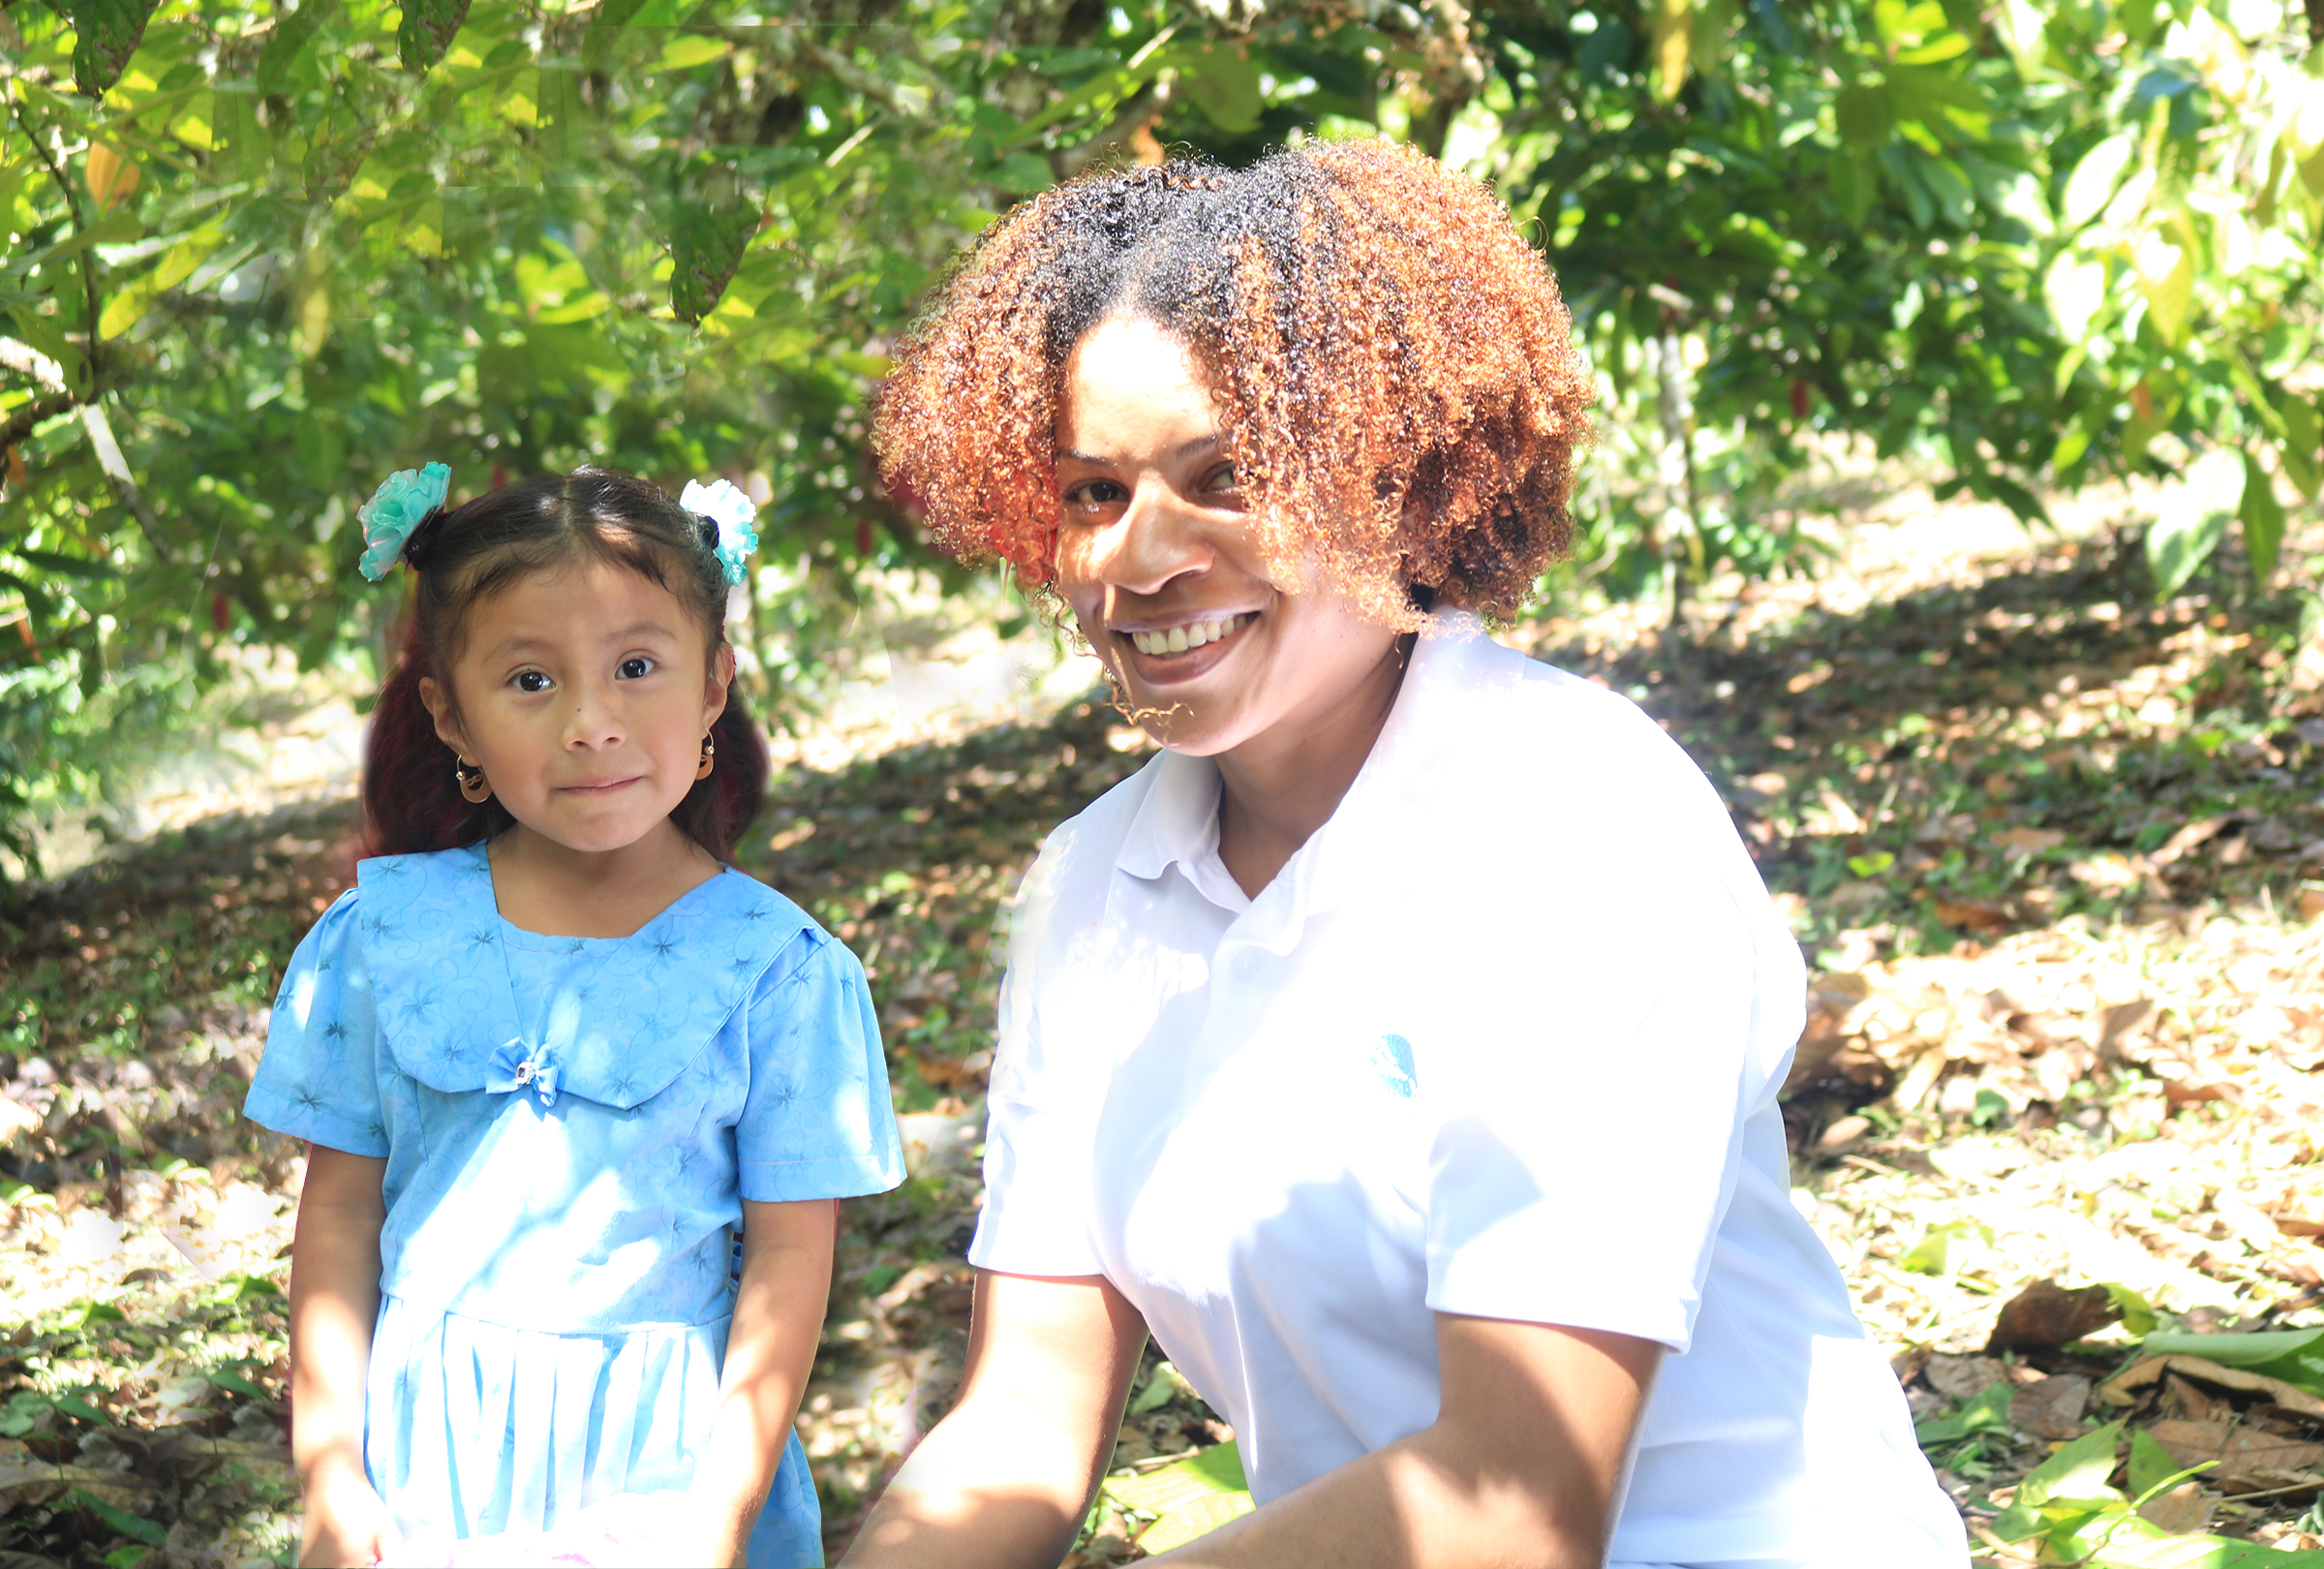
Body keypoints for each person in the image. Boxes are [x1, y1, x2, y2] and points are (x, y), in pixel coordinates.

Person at [844, 141, 1968, 1568]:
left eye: (1227, 473)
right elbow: (1023, 1411)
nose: (1143, 556)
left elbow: (1517, 1501)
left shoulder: (1579, 826)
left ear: (1394, 476)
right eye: (1093, 494)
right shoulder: (1090, 890)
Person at [245, 466, 904, 1568]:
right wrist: (329, 1468)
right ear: (449, 712)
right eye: (532, 681)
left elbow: (792, 1258)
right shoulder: (377, 941)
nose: (593, 725)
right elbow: (343, 1212)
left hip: (669, 1475)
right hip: (425, 1466)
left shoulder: (779, 971)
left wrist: (720, 1511)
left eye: (637, 667)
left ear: (713, 686)